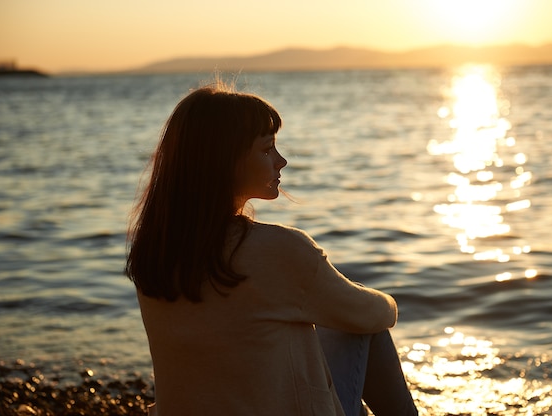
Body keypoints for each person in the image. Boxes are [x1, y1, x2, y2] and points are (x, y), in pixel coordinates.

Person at [125, 82, 418, 416]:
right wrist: (386, 301)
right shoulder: (280, 250)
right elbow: (373, 314)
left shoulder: (155, 252)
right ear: (226, 161)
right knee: (364, 325)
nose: (282, 161)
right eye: (267, 150)